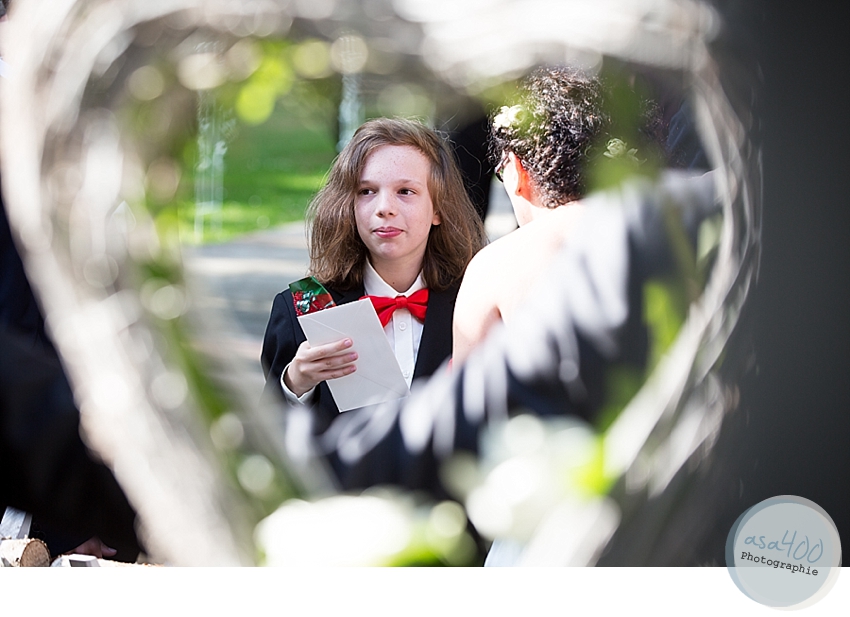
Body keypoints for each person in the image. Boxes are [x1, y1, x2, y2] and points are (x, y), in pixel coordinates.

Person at [261, 118, 486, 436]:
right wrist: (295, 384)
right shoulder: (303, 307)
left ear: (438, 209)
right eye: (366, 191)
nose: (384, 208)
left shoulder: (476, 302)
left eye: (405, 191)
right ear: (349, 206)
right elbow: (266, 438)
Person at [452, 66, 661, 364]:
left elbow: (469, 386)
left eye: (501, 172)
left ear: (517, 171)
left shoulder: (494, 266)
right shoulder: (661, 235)